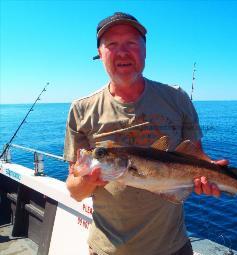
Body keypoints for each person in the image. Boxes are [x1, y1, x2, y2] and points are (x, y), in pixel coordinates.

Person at [64, 12, 227, 255]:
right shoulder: (81, 109)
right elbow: (75, 191)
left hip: (173, 248)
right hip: (107, 250)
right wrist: (87, 180)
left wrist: (213, 174)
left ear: (145, 49)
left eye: (131, 43)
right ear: (100, 53)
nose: (122, 52)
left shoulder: (177, 98)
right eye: (112, 45)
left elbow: (197, 157)